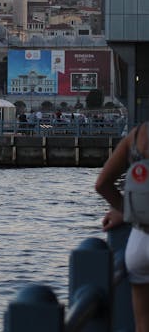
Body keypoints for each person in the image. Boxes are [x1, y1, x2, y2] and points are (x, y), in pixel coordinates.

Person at [95, 121, 149, 331]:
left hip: (139, 242)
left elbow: (102, 184)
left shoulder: (137, 136)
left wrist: (129, 213)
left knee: (143, 324)